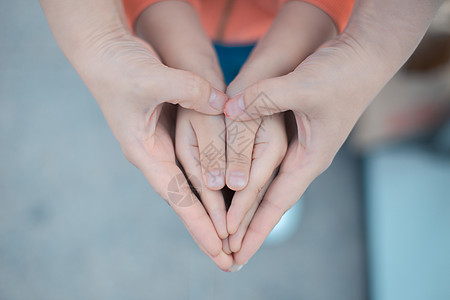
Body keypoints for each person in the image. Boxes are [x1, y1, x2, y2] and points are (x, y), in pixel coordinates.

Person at [39, 0, 443, 272]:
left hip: (290, 19)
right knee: (198, 98)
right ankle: (250, 168)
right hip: (159, 16)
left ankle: (261, 168)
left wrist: (356, 45)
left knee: (270, 99)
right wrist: (108, 39)